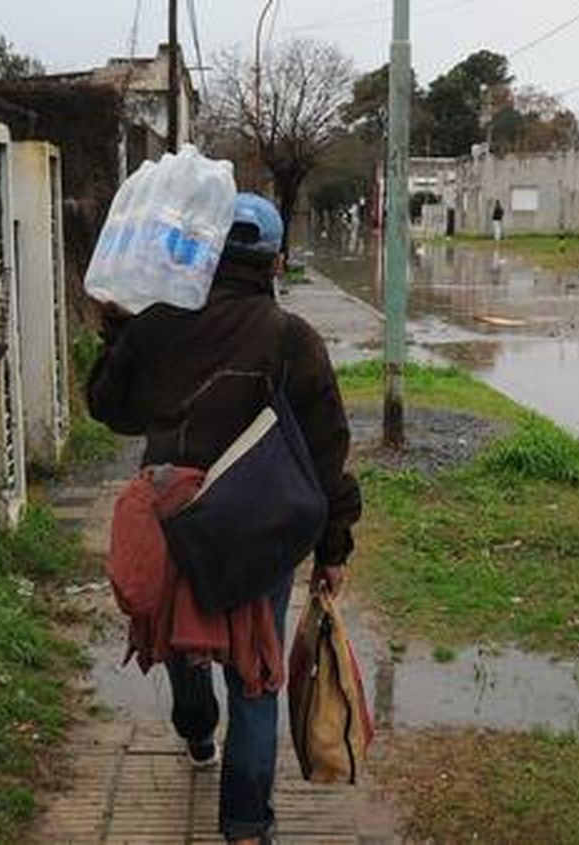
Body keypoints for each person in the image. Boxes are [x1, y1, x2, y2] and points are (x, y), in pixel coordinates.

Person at [86, 192, 361, 845]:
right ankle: (245, 827)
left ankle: (195, 727)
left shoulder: (156, 324)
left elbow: (110, 408)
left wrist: (118, 330)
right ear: (276, 260)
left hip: (172, 519)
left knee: (185, 631)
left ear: (205, 252)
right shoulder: (293, 338)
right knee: (256, 674)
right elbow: (327, 454)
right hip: (258, 536)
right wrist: (333, 549)